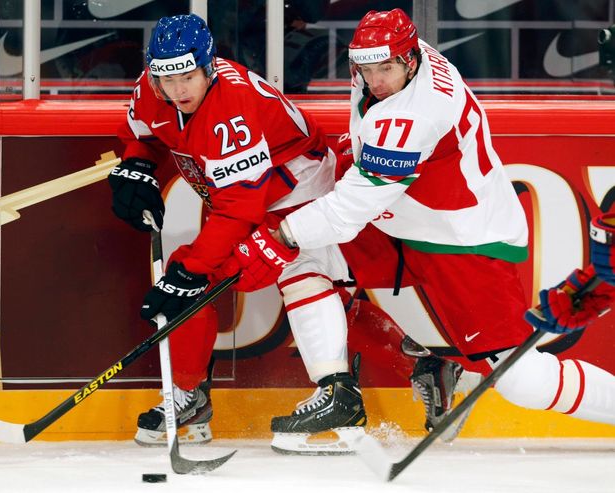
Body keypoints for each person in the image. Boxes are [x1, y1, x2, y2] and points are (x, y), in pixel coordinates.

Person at [227, 8, 615, 431]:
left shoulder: (414, 116)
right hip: (405, 217)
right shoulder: (399, 57)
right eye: (365, 68)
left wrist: (280, 234)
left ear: (410, 59)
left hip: (463, 240)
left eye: (385, 69)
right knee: (305, 260)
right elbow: (373, 146)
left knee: (523, 381)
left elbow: (349, 210)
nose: (374, 80)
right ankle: (346, 391)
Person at [107, 13, 461, 454]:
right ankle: (419, 365)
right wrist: (136, 164)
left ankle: (192, 396)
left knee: (239, 275)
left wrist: (193, 268)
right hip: (247, 192)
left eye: (187, 76)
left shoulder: (230, 109)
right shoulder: (152, 87)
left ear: (208, 67)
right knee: (309, 292)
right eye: (166, 77)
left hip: (297, 185)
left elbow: (240, 207)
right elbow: (143, 131)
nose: (177, 89)